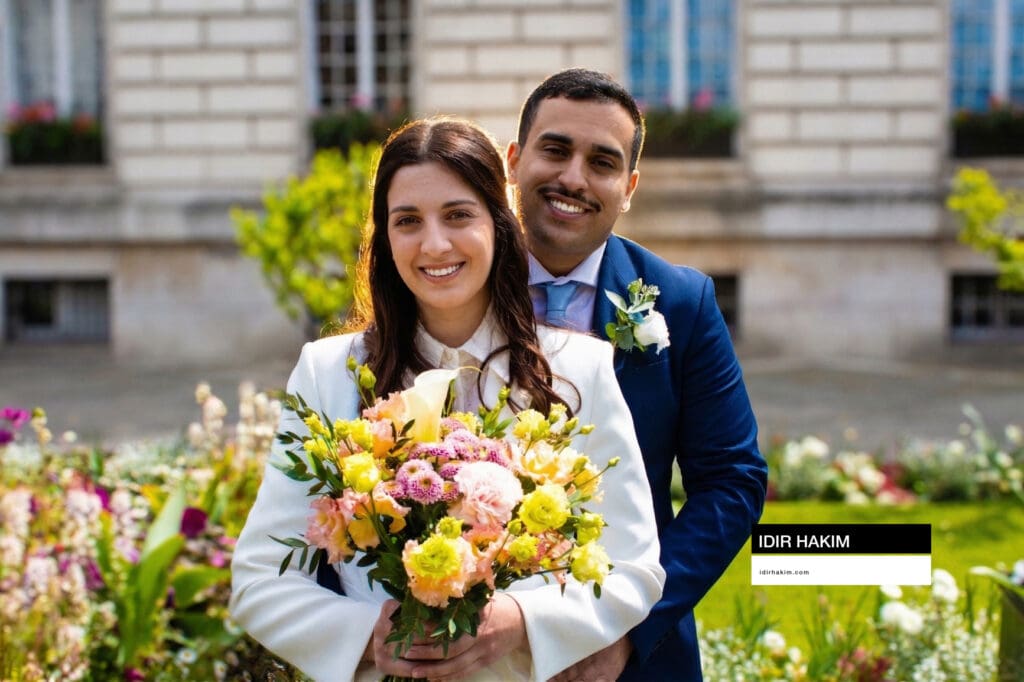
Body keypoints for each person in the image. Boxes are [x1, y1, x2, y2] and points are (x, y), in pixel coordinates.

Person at [229, 117, 665, 682]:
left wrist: (521, 619)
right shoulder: (329, 373)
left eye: (458, 215)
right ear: (384, 238)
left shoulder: (580, 368)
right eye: (407, 221)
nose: (434, 244)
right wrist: (371, 636)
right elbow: (260, 578)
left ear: (498, 225)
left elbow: (634, 568)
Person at [506, 68, 768, 681]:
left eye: (603, 161)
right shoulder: (455, 283)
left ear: (629, 187)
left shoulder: (682, 302)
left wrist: (628, 625)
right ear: (515, 159)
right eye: (555, 149)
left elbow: (732, 481)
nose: (573, 177)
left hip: (631, 660)